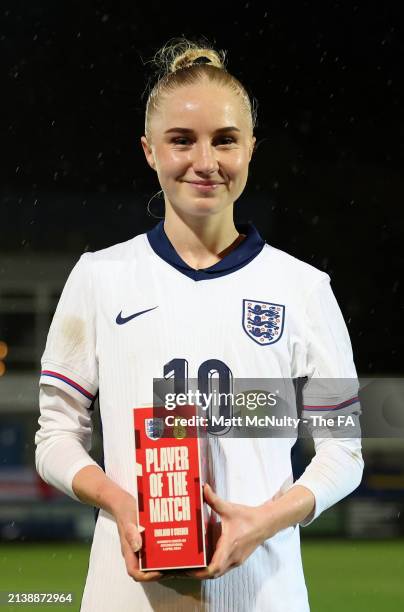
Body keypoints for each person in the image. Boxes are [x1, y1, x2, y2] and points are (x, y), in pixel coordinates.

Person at [35, 38, 364, 611]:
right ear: (148, 150)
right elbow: (56, 435)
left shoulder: (305, 290)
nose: (205, 162)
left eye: (226, 140)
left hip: (266, 595)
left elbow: (344, 452)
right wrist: (121, 503)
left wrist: (261, 521)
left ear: (252, 149)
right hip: (125, 595)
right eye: (182, 140)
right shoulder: (99, 277)